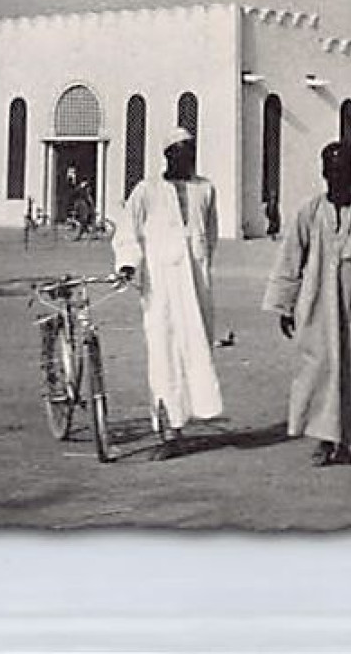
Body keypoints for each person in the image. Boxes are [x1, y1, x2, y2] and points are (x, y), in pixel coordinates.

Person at [263, 142, 351, 467]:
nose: (339, 179)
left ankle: (347, 442)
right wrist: (285, 304)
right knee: (317, 370)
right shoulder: (310, 212)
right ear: (324, 174)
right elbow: (291, 258)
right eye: (333, 172)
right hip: (316, 305)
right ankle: (323, 439)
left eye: (345, 172)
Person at [112, 127, 223, 460]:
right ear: (168, 155)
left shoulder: (205, 190)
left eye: (191, 150)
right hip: (160, 287)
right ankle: (169, 432)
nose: (188, 157)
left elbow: (210, 234)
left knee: (196, 350)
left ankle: (190, 417)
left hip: (195, 286)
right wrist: (129, 264)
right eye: (181, 151)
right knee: (162, 356)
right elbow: (127, 232)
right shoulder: (146, 191)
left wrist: (197, 265)